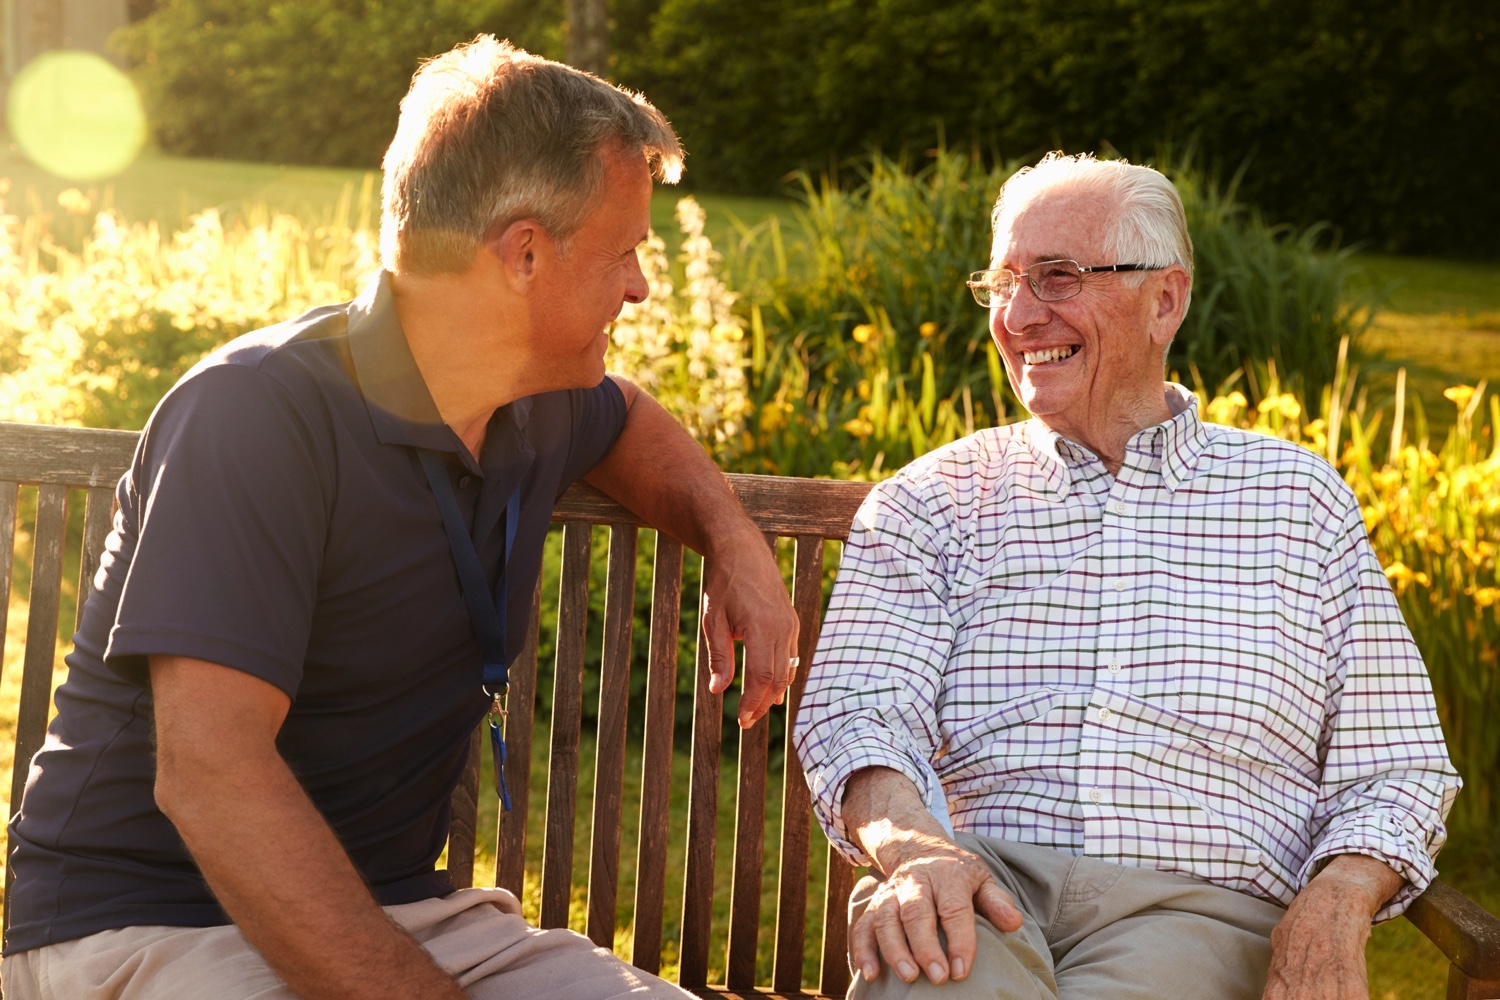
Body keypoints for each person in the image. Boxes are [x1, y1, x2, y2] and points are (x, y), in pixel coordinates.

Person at [3, 37, 799, 1000]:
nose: (639, 285)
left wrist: (735, 543)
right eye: (625, 250)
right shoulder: (257, 415)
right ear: (526, 252)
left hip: (409, 917)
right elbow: (209, 774)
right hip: (151, 925)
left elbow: (628, 418)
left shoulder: (531, 396)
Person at [793, 152, 1460, 1000]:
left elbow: (1395, 764)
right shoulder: (931, 502)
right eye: (1003, 282)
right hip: (978, 883)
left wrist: (1338, 897)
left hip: (1201, 909)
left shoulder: (1296, 501)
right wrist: (917, 849)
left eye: (1058, 278)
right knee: (930, 981)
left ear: (1166, 300)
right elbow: (859, 713)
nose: (1020, 314)